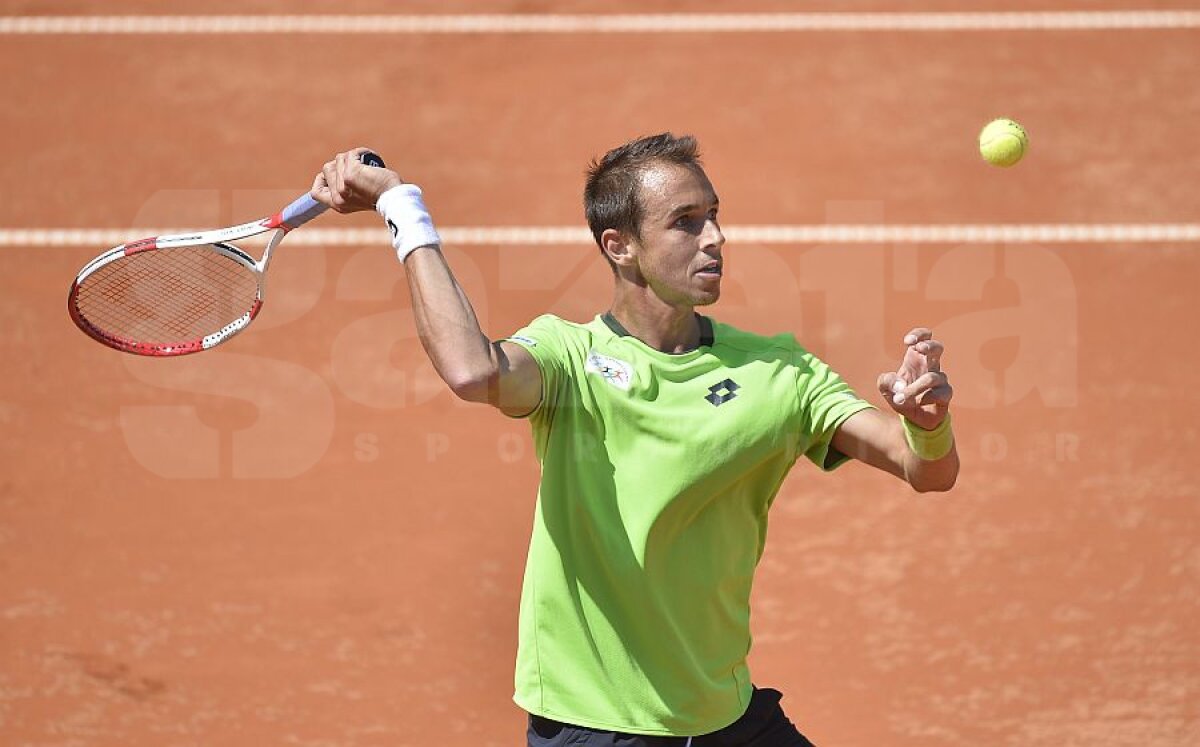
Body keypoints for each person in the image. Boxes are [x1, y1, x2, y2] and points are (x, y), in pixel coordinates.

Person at [311, 133, 958, 747]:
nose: (716, 238)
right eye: (686, 222)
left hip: (726, 714)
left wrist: (926, 425)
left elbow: (926, 469)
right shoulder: (569, 356)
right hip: (596, 725)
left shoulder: (777, 372)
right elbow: (472, 371)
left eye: (714, 216)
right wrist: (403, 208)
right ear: (619, 246)